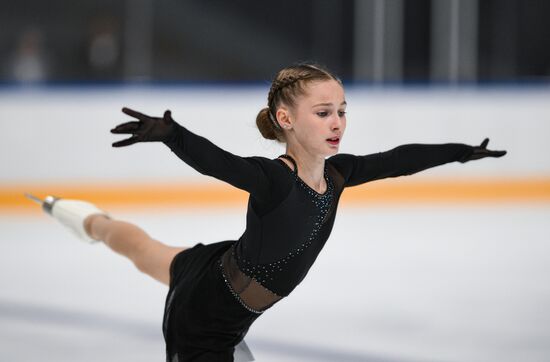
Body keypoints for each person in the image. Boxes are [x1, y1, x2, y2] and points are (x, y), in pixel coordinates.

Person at [40, 63, 506, 361]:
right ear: (286, 120)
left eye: (341, 110)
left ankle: (85, 220)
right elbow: (218, 163)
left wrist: (460, 152)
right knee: (146, 253)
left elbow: (401, 159)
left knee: (143, 249)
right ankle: (84, 220)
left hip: (218, 268)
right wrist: (173, 134)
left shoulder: (340, 173)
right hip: (206, 325)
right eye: (323, 112)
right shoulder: (273, 178)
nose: (337, 122)